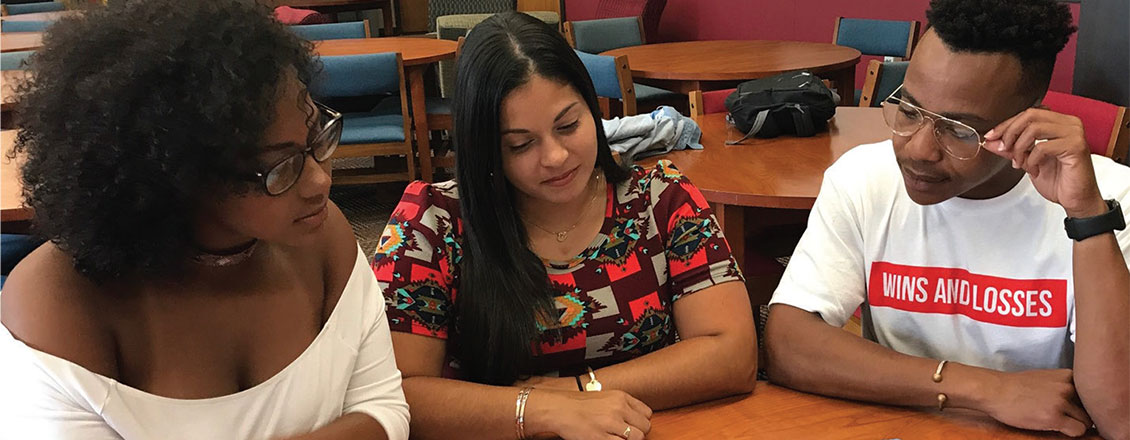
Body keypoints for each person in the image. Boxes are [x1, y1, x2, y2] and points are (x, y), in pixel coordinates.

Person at [0, 1, 409, 439]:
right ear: (179, 173)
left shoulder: (323, 238)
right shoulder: (60, 302)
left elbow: (383, 408)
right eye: (279, 167)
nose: (319, 181)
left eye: (316, 138)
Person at [371, 12, 757, 440]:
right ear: (485, 150)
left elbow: (733, 354)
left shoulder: (659, 198)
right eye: (520, 144)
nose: (555, 157)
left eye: (568, 125)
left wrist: (580, 391)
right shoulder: (431, 223)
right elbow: (399, 397)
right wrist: (538, 412)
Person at [764, 0, 1129, 438]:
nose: (918, 150)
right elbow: (788, 344)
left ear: (1027, 121)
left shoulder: (1107, 199)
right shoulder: (861, 178)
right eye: (911, 111)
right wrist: (985, 389)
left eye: (959, 129)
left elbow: (1120, 419)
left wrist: (1087, 217)